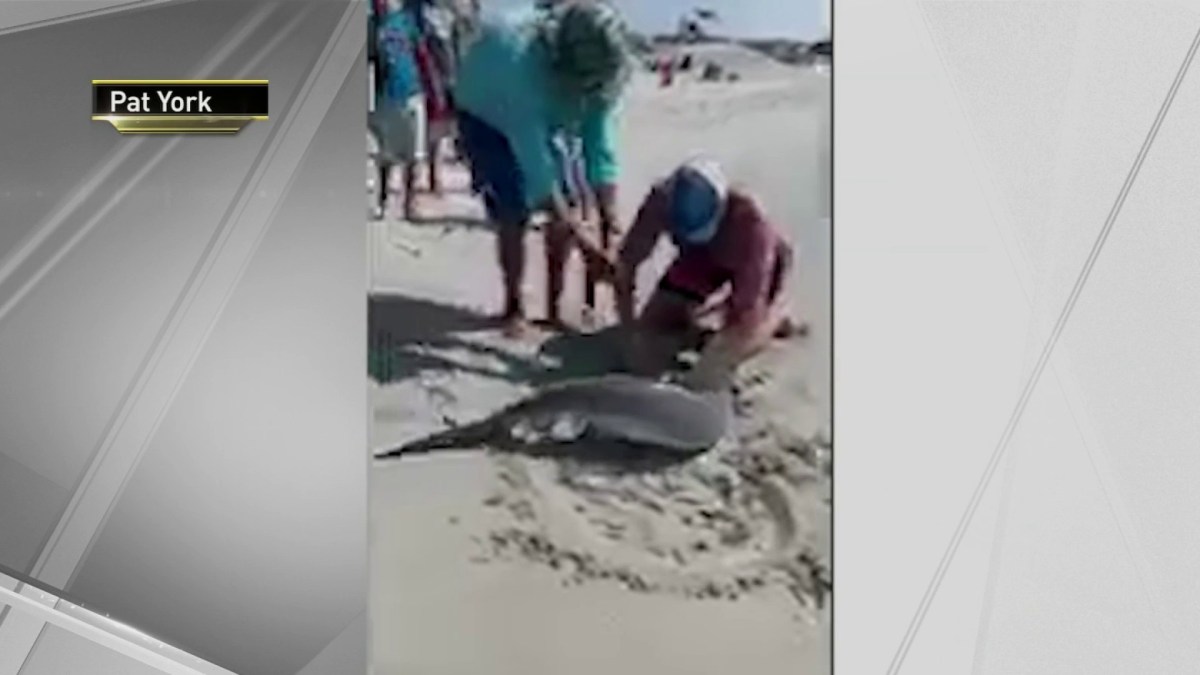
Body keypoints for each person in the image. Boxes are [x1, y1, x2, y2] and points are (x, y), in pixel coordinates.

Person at [452, 1, 631, 336]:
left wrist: (612, 224)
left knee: (572, 204)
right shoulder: (524, 71)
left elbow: (599, 147)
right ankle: (514, 306)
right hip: (485, 112)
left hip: (537, 110)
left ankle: (553, 309)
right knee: (513, 210)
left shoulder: (602, 65)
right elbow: (539, 175)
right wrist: (586, 244)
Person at [614, 158, 801, 391]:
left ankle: (777, 316)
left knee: (723, 354)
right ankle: (704, 325)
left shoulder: (751, 219)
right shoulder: (660, 199)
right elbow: (626, 265)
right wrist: (629, 332)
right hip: (702, 257)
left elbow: (746, 313)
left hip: (754, 262)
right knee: (657, 321)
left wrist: (716, 359)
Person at [370, 0, 426, 221]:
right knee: (386, 156)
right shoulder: (371, 27)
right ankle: (382, 201)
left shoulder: (407, 20)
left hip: (412, 92)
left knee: (414, 155)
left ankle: (410, 204)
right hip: (385, 97)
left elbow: (421, 53)